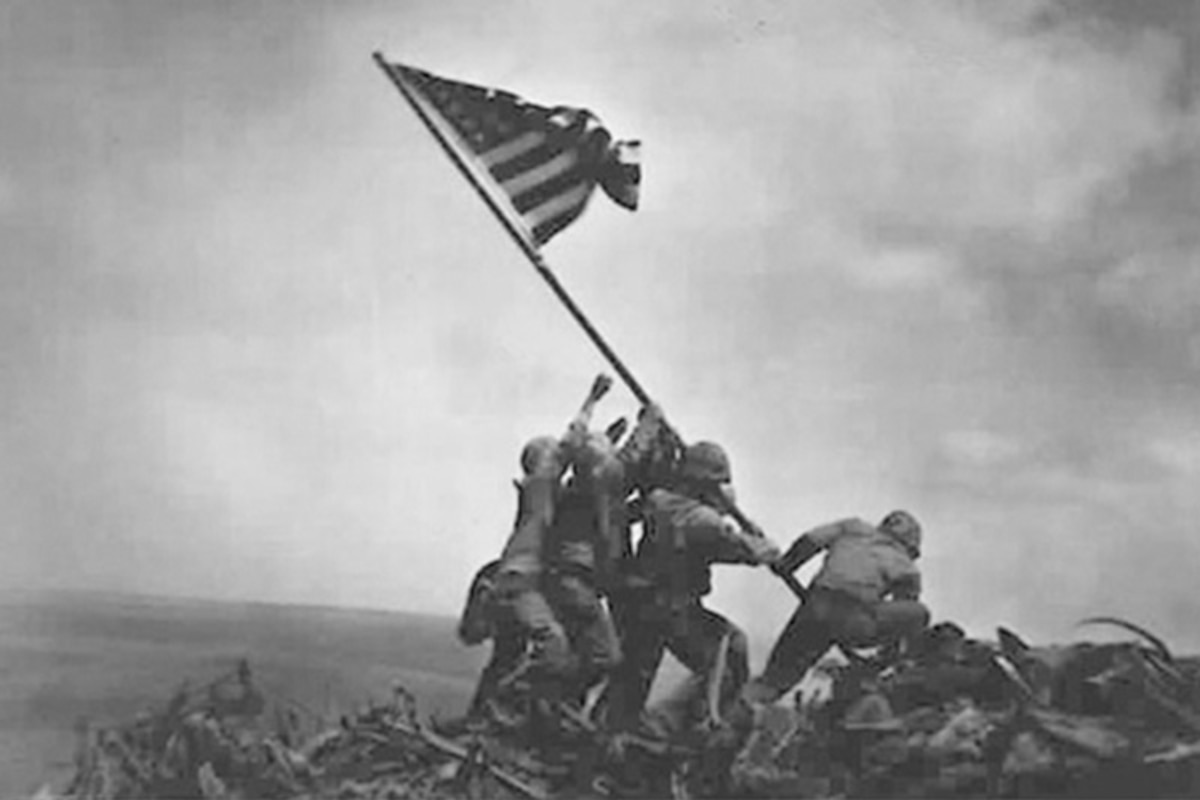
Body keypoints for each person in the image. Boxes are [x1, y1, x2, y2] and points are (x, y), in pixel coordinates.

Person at [606, 440, 781, 739]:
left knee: (632, 679)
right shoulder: (704, 522)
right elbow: (760, 552)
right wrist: (747, 527)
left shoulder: (659, 500)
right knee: (727, 658)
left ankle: (609, 740)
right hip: (673, 610)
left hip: (639, 601)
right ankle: (667, 730)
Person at [740, 510, 931, 707]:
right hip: (853, 620)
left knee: (774, 681)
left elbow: (811, 540)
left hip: (813, 609)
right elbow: (905, 614)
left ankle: (733, 710)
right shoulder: (906, 566)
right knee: (920, 613)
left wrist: (788, 564)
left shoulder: (852, 527)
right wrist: (887, 659)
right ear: (910, 545)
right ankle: (880, 662)